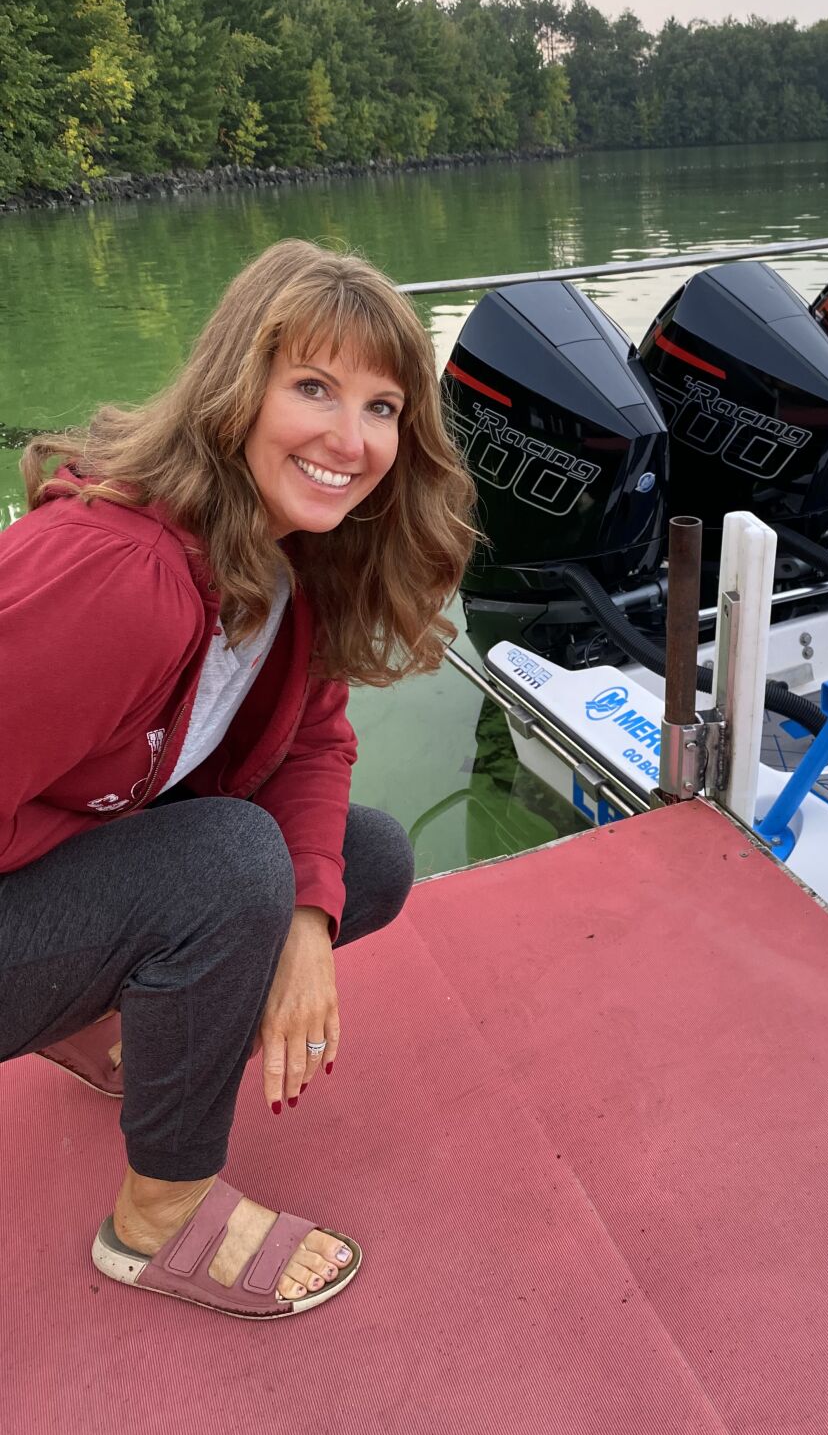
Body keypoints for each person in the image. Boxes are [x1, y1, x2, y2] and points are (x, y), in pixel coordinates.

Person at [0, 238, 476, 1319]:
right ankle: (157, 1215)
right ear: (236, 389)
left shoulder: (285, 560)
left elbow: (313, 744)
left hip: (41, 859)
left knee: (361, 860)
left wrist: (304, 919)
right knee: (226, 862)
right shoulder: (125, 576)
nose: (348, 440)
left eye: (381, 406)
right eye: (312, 387)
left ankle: (87, 1016)